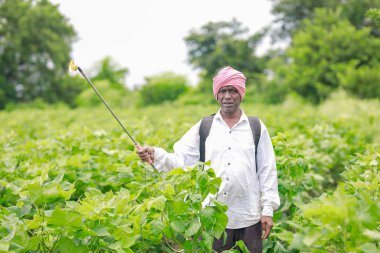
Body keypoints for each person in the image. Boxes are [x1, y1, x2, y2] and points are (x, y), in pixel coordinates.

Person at [137, 66, 280, 252]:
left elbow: (267, 169)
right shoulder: (205, 126)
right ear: (217, 95)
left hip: (249, 217)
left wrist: (267, 210)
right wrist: (155, 154)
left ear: (241, 94)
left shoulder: (255, 127)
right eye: (223, 91)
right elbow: (182, 161)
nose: (228, 96)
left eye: (233, 91)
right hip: (212, 218)